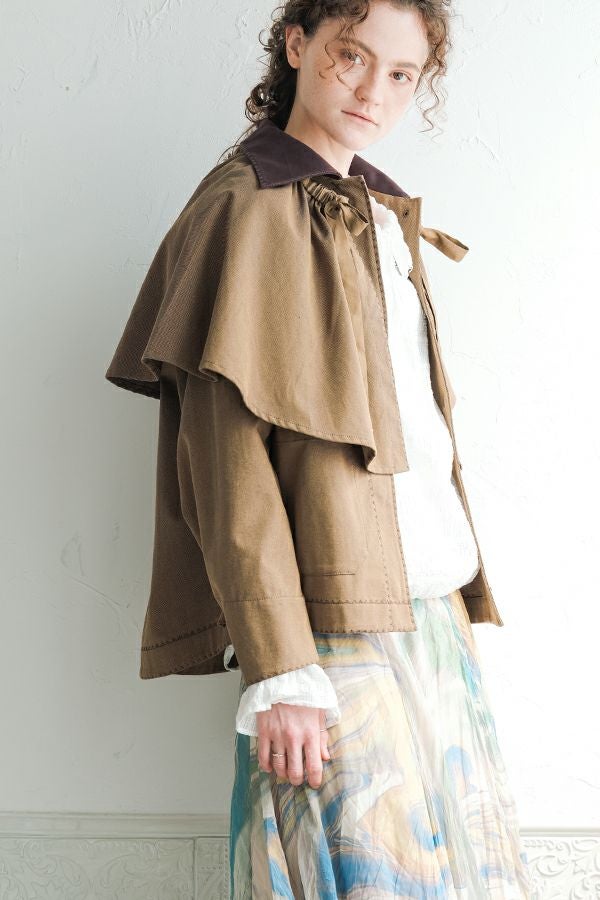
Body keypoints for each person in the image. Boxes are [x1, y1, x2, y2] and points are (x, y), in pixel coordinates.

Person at [105, 0, 536, 896]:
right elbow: (224, 464)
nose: (374, 90)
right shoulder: (247, 208)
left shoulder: (368, 213)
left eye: (402, 74)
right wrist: (282, 669)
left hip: (429, 615)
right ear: (297, 45)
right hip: (329, 631)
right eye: (351, 56)